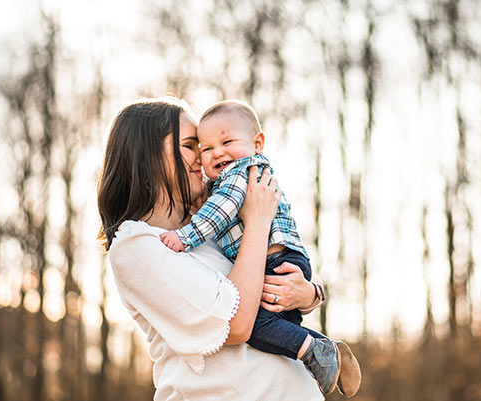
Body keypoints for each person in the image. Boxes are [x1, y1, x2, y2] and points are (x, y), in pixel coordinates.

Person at [98, 97, 330, 400]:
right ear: (147, 155)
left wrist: (310, 294)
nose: (203, 157)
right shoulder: (136, 246)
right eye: (192, 145)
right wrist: (258, 222)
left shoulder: (211, 223)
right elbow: (236, 325)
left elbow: (266, 282)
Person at [159, 100, 361, 397]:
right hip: (281, 260)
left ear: (258, 143)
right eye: (207, 147)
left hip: (275, 261)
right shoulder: (222, 180)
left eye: (227, 141)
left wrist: (185, 237)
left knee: (253, 324)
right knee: (278, 327)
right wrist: (312, 294)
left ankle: (316, 351)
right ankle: (324, 357)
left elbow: (221, 210)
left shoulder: (241, 172)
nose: (217, 153)